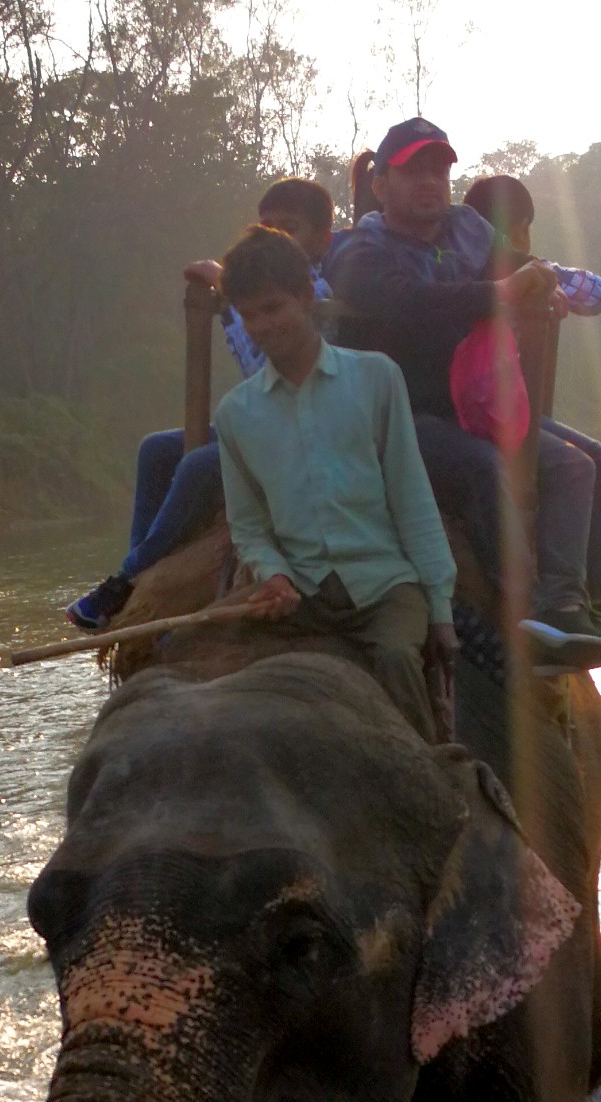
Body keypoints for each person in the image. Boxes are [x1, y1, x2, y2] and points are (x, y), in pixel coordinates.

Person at [325, 118, 601, 654]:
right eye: (413, 171)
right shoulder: (358, 248)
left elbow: (527, 271)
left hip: (468, 406)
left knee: (575, 465)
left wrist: (544, 286)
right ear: (381, 186)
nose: (430, 181)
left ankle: (571, 604)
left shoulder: (468, 231)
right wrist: (502, 292)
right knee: (483, 469)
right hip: (395, 414)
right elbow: (402, 300)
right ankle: (521, 614)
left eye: (439, 169)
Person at [212, 224, 459, 743]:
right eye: (247, 314)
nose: (260, 326)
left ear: (307, 297)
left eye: (272, 308)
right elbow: (249, 526)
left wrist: (439, 609)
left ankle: (432, 778)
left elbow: (411, 497)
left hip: (384, 589)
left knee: (395, 661)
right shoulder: (235, 415)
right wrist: (274, 574)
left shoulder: (376, 378)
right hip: (303, 598)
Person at [65, 179, 336, 632]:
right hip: (265, 420)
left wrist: (227, 289)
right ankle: (140, 579)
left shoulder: (312, 291)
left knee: (198, 467)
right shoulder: (251, 293)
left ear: (322, 241)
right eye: (266, 227)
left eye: (290, 229)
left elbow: (264, 368)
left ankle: (124, 579)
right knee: (156, 449)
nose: (274, 239)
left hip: (301, 427)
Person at [462, 174, 601, 644]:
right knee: (578, 466)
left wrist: (541, 273)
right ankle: (563, 600)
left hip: (511, 408)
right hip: (481, 411)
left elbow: (596, 297)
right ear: (521, 227)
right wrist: (541, 272)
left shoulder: (519, 268)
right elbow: (597, 295)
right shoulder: (470, 265)